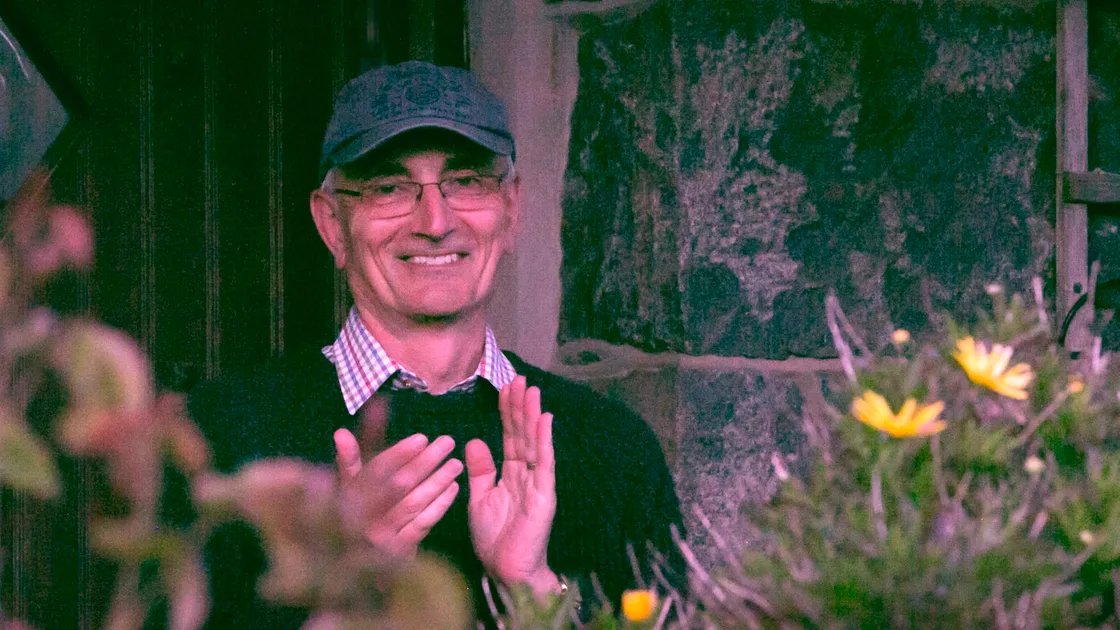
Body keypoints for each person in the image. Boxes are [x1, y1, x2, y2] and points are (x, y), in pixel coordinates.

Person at [188, 61, 684, 627]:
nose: (435, 222)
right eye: (389, 187)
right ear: (332, 225)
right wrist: (344, 587)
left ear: (512, 209)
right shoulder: (221, 441)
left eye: (467, 181)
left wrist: (533, 588)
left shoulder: (615, 448)